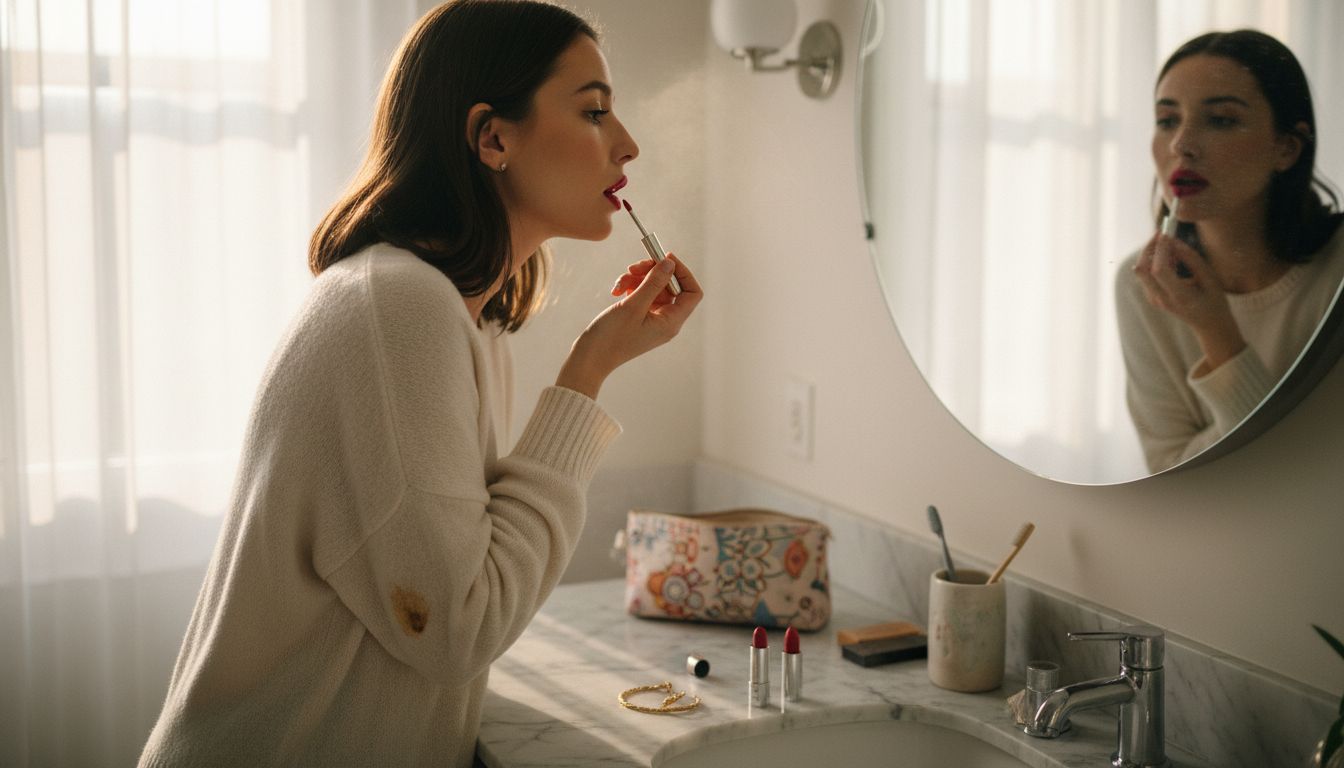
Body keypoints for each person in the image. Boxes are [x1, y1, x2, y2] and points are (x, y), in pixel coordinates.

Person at [138, 1, 701, 765]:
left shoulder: (459, 319)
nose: (627, 144)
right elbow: (457, 630)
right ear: (493, 137)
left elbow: (443, 594)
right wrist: (586, 373)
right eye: (595, 112)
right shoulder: (398, 309)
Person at [1117, 29, 1344, 473]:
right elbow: (1170, 473)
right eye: (1167, 120)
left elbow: (1302, 481)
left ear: (1287, 147)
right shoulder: (1138, 283)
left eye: (1220, 119)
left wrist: (1216, 332)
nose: (1181, 144)